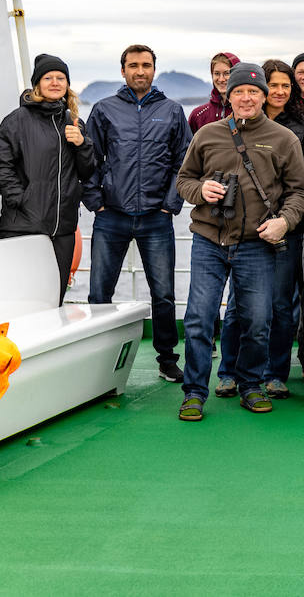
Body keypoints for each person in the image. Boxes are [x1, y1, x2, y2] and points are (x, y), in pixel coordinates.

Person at [174, 63, 304, 421]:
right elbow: (184, 180)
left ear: (264, 96)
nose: (246, 98)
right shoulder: (207, 135)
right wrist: (201, 190)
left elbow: (299, 192)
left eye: (253, 92)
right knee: (199, 318)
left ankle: (251, 384)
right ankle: (194, 392)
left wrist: (284, 221)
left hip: (256, 244)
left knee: (258, 320)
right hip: (208, 240)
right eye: (239, 92)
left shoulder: (284, 139)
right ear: (227, 96)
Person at [215, 60, 304, 399]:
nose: (278, 92)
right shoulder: (236, 126)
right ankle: (229, 370)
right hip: (244, 231)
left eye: (285, 86)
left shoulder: (302, 129)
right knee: (237, 304)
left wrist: (287, 218)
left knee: (280, 304)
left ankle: (275, 372)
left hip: (285, 231)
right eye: (272, 85)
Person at [83, 44, 190, 383]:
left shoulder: (172, 111)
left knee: (163, 293)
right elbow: (89, 159)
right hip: (111, 215)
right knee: (100, 291)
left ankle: (167, 358)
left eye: (145, 65)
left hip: (156, 216)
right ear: (123, 71)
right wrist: (94, 200)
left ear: (154, 70)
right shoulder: (104, 110)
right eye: (133, 65)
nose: (139, 71)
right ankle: (97, 357)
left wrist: (170, 203)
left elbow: (183, 161)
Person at [0, 53, 96, 304]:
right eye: (48, 77)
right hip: (22, 227)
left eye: (61, 78)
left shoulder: (75, 122)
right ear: (37, 84)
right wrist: (23, 200)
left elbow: (87, 171)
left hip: (63, 229)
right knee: (17, 297)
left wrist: (82, 144)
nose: (55, 82)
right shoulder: (17, 120)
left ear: (67, 84)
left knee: (54, 297)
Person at [188, 52, 239, 132]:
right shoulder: (198, 115)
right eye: (217, 74)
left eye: (227, 73)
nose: (221, 79)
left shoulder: (246, 112)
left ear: (238, 74)